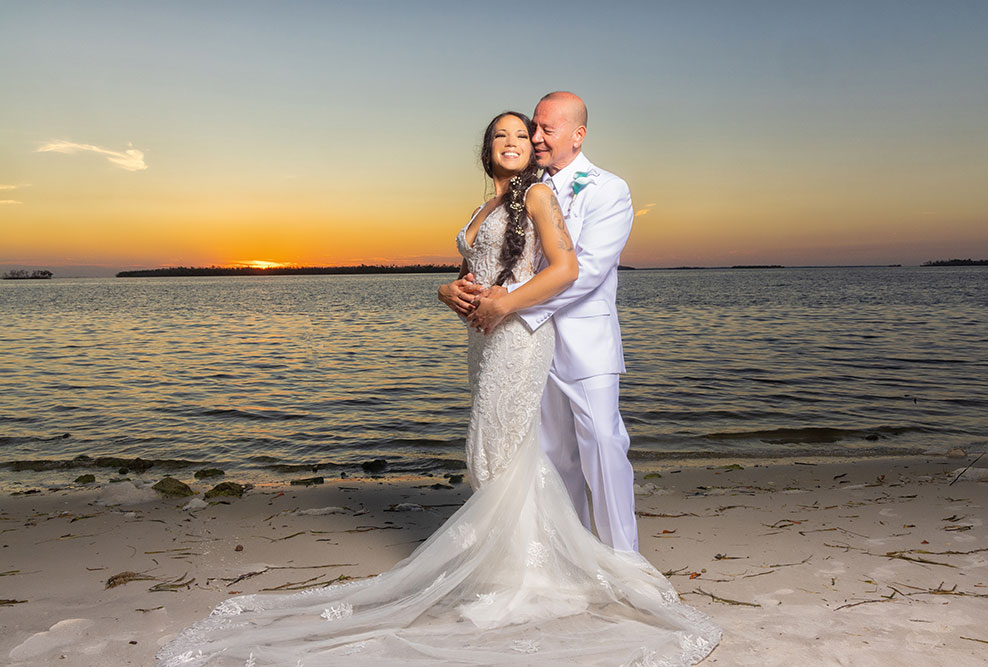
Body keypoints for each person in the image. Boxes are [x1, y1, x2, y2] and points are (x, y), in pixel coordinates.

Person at [157, 111, 719, 666]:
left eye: (527, 133)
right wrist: (452, 291)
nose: (520, 140)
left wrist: (504, 304)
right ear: (485, 148)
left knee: (529, 451)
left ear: (567, 135)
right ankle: (526, 565)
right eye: (505, 134)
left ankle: (562, 573)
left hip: (528, 334)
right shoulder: (492, 205)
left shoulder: (561, 194)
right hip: (489, 341)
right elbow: (483, 266)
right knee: (509, 455)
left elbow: (575, 269)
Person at [440, 91, 638, 552]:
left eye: (547, 129)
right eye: (536, 127)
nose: (536, 137)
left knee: (603, 446)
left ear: (578, 134)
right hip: (523, 343)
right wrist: (456, 290)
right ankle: (570, 553)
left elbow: (585, 270)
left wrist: (506, 303)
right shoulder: (521, 187)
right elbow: (495, 257)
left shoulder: (609, 188)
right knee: (551, 455)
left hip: (581, 339)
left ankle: (622, 557)